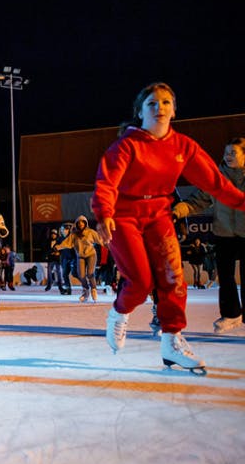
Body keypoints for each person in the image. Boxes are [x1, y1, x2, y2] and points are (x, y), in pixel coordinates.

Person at [93, 83, 245, 373]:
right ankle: (119, 312)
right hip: (123, 216)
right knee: (140, 282)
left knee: (174, 279)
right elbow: (107, 182)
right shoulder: (127, 145)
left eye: (165, 102)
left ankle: (172, 343)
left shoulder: (182, 146)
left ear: (174, 110)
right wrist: (104, 213)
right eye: (151, 103)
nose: (159, 108)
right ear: (140, 111)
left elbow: (216, 184)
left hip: (159, 215)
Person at [174, 137, 245, 332]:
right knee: (225, 275)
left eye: (233, 153)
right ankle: (231, 314)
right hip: (224, 232)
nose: (228, 156)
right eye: (226, 152)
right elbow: (199, 200)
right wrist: (179, 210)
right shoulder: (217, 178)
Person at [54, 215, 104, 302]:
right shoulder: (74, 235)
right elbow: (66, 243)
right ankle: (86, 291)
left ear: (85, 223)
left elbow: (100, 240)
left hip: (91, 255)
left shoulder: (91, 232)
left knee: (90, 273)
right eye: (79, 223)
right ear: (76, 224)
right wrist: (57, 247)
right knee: (81, 275)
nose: (81, 225)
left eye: (82, 223)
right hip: (80, 256)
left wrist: (111, 246)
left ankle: (93, 289)